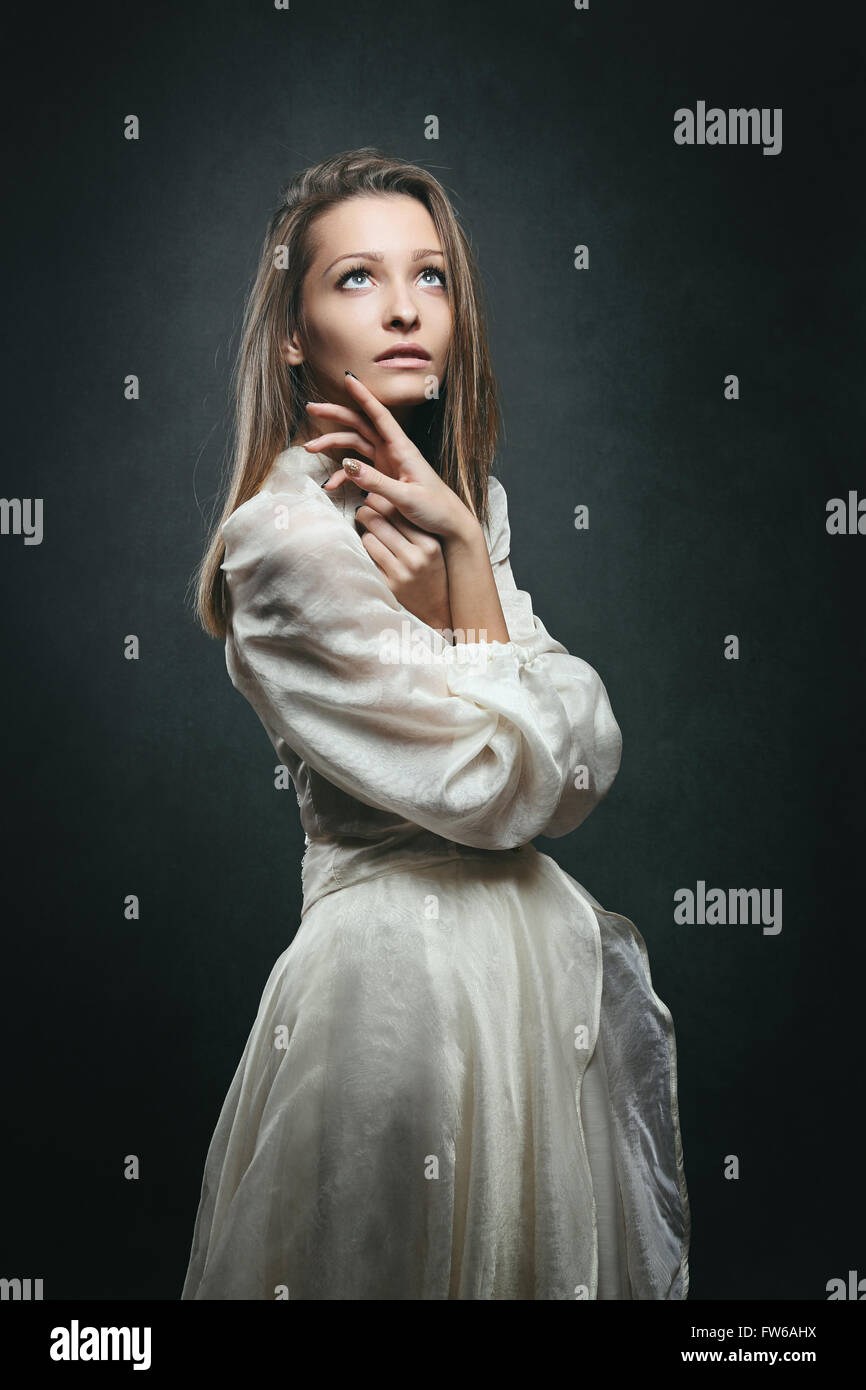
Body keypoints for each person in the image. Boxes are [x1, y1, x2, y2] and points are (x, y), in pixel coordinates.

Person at [182, 147, 690, 1300]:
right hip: (394, 1003)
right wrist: (467, 591)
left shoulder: (463, 503)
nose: (407, 307)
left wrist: (458, 557)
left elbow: (581, 754)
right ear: (292, 334)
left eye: (434, 277)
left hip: (528, 997)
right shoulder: (280, 545)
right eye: (356, 277)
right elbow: (499, 792)